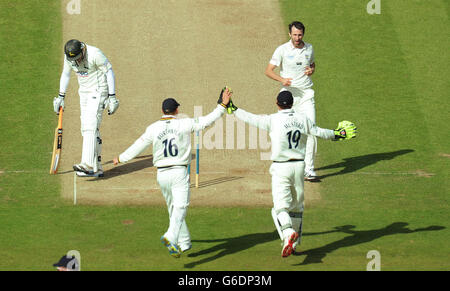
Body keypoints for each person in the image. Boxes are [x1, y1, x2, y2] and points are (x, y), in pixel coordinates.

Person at [226, 91, 356, 257]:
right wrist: (338, 134)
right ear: (292, 103)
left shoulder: (273, 120)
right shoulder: (302, 119)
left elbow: (251, 118)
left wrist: (232, 108)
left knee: (280, 208)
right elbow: (319, 132)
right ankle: (293, 245)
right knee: (296, 207)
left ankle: (288, 235)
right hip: (299, 167)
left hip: (281, 168)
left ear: (277, 103)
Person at [112, 88, 232, 258]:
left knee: (173, 209)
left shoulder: (153, 128)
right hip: (178, 172)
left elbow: (138, 145)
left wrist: (121, 158)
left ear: (162, 111)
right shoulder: (183, 123)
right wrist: (222, 106)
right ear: (177, 110)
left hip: (162, 174)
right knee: (181, 207)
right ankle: (170, 236)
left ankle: (184, 243)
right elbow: (207, 121)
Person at [53, 39, 119, 177]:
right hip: (84, 93)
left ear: (82, 49)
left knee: (90, 125)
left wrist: (112, 97)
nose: (76, 62)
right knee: (87, 129)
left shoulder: (95, 54)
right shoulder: (69, 58)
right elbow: (66, 74)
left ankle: (87, 165)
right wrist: (61, 96)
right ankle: (97, 167)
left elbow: (109, 72)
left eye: (78, 58)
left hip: (99, 90)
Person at [265, 21, 319, 181]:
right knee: (283, 130)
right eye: (294, 34)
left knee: (310, 131)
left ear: (303, 34)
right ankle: (282, 164)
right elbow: (268, 71)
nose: (297, 38)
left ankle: (309, 169)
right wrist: (282, 79)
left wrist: (312, 70)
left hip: (306, 95)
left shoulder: (309, 48)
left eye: (300, 35)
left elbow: (312, 64)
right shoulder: (282, 50)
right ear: (290, 34)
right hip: (288, 96)